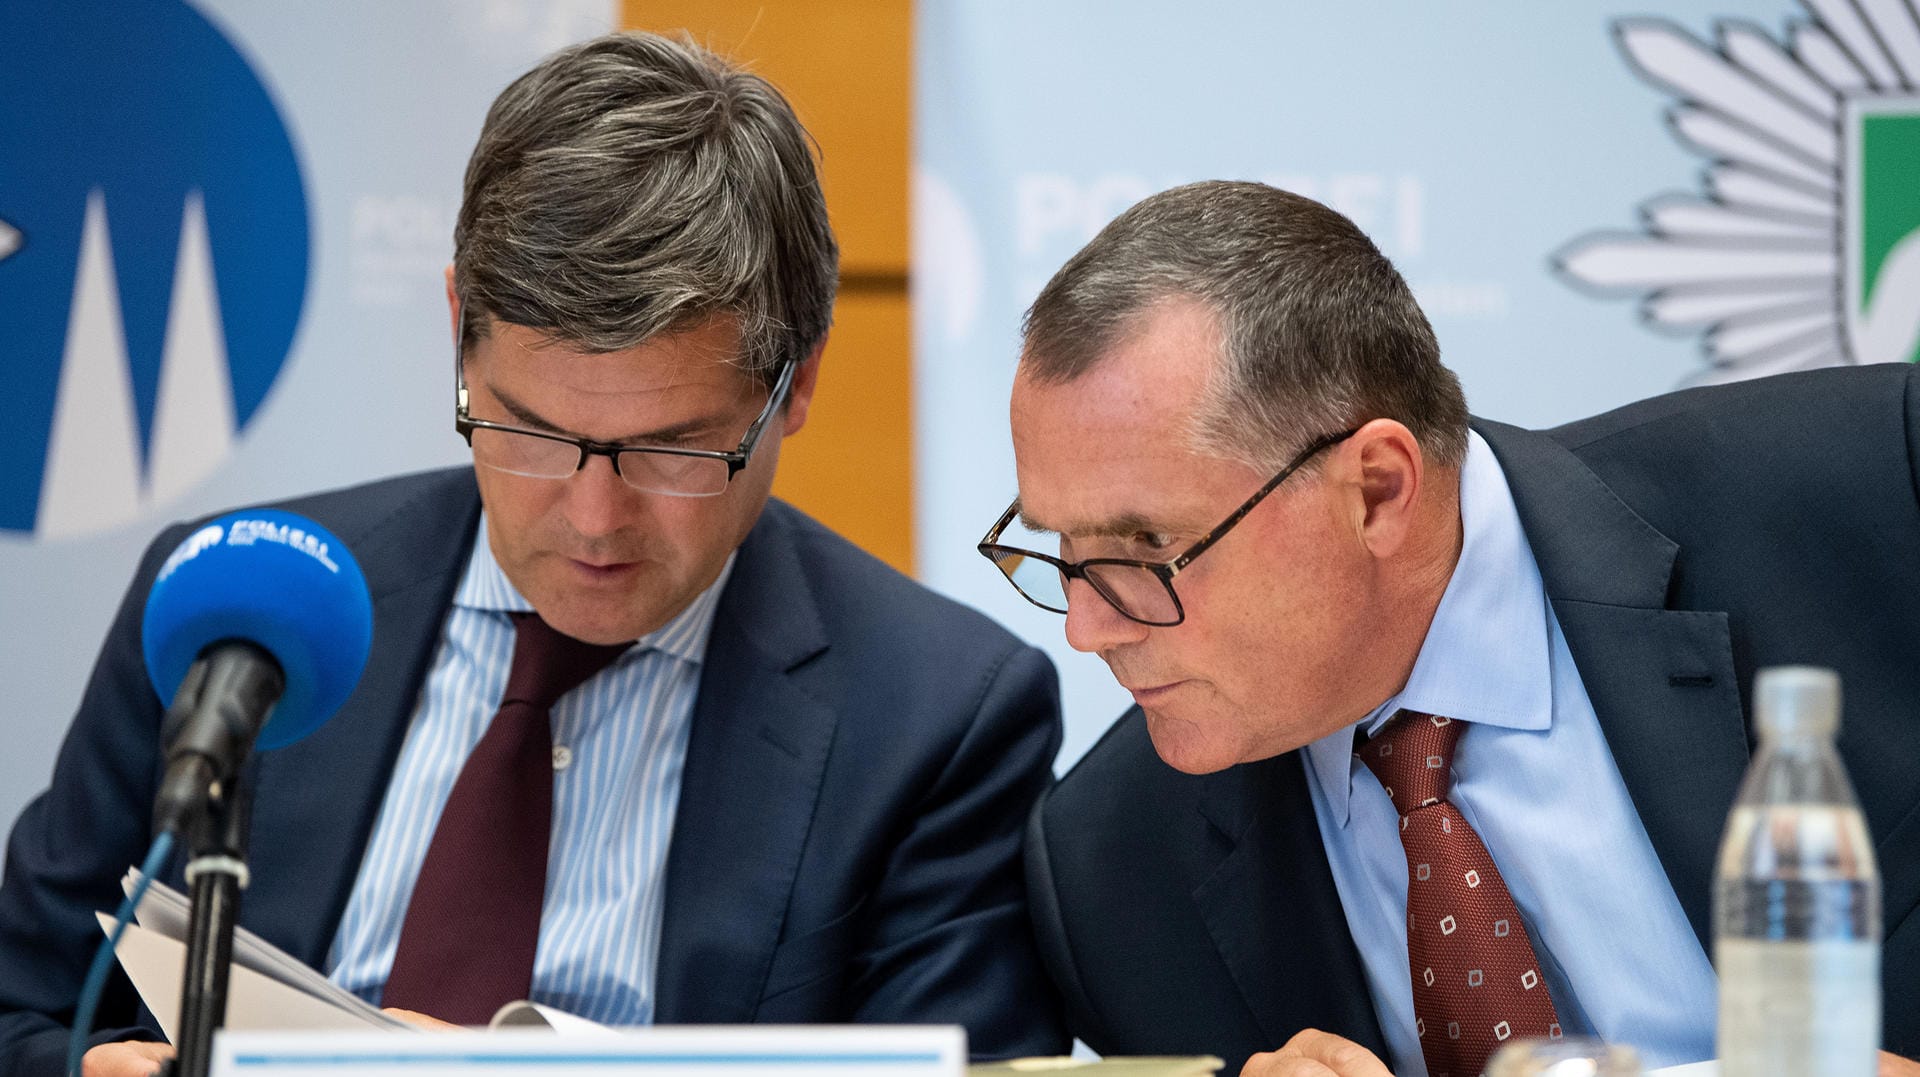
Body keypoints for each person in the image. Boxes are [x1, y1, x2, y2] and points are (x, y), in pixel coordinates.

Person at [0, 31, 1065, 1076]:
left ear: (800, 384)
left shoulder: (938, 721)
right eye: (532, 433)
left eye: (675, 449)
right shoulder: (238, 606)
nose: (594, 517)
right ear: (460, 323)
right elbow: (19, 1010)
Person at [990, 180, 1920, 1077]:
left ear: (1378, 489)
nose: (1085, 625)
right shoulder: (1112, 875)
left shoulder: (1877, 499)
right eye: (1061, 548)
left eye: (1147, 544)